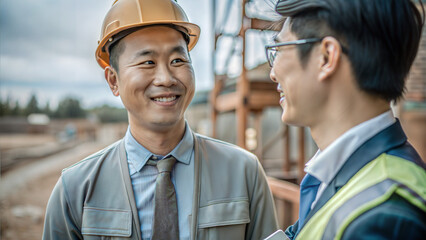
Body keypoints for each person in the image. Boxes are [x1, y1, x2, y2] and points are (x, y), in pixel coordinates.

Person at [43, 0, 278, 239]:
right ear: (113, 80)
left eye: (178, 61)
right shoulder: (75, 190)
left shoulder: (243, 173)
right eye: (148, 62)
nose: (166, 78)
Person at [264, 0, 426, 239]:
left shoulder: (384, 216)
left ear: (326, 57)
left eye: (279, 50)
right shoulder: (343, 174)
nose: (272, 71)